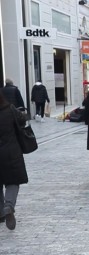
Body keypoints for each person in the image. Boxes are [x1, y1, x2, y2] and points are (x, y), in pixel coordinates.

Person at [0, 89, 28, 230]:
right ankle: (9, 205)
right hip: (11, 152)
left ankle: (1, 212)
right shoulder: (9, 109)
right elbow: (23, 119)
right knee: (13, 181)